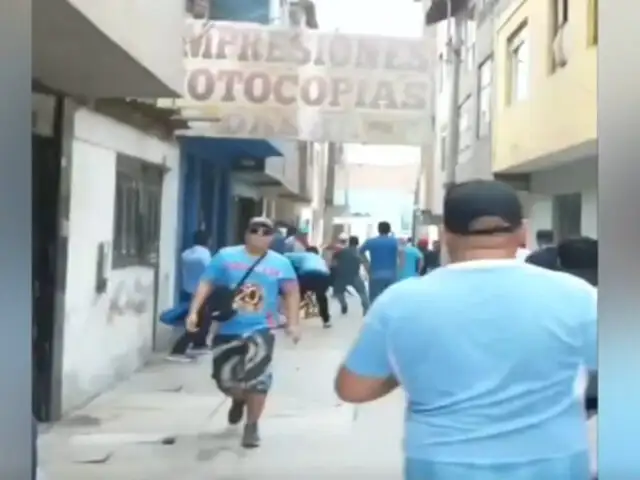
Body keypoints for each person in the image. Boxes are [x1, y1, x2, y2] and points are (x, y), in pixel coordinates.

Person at [335, 179, 596, 480]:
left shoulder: (400, 301)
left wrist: (404, 370)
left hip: (443, 465)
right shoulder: (577, 295)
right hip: (555, 463)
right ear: (522, 231)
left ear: (447, 234)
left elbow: (353, 388)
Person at [185, 217, 301, 448]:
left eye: (266, 231)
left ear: (272, 236)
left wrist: (293, 321)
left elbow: (291, 292)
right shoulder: (226, 256)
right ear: (246, 233)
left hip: (261, 328)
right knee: (224, 379)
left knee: (258, 380)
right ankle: (238, 399)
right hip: (228, 328)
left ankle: (251, 426)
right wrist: (193, 312)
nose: (259, 234)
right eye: (254, 229)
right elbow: (206, 282)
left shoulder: (280, 263)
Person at [167, 230, 213, 362]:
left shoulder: (186, 254)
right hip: (202, 291)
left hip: (188, 289)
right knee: (198, 320)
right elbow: (210, 272)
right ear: (207, 241)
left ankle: (200, 343)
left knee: (203, 318)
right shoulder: (205, 254)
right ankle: (178, 350)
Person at [286, 246, 332, 328]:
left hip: (307, 274)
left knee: (296, 296)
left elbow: (284, 256)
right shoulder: (321, 259)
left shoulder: (303, 255)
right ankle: (326, 320)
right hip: (324, 276)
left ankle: (291, 320)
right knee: (321, 297)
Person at [359, 221, 402, 303]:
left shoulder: (371, 241)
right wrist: (400, 267)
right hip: (391, 275)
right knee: (390, 299)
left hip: (375, 274)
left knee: (374, 299)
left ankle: (375, 314)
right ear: (389, 230)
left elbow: (360, 252)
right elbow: (401, 253)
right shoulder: (395, 241)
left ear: (378, 229)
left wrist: (366, 264)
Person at [332, 235, 369, 315]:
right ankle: (366, 309)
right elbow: (366, 264)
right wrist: (369, 274)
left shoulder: (341, 251)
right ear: (357, 243)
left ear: (349, 242)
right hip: (355, 275)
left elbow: (333, 263)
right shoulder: (359, 252)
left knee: (338, 292)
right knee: (362, 292)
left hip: (342, 275)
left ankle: (343, 304)